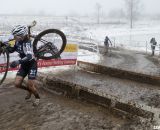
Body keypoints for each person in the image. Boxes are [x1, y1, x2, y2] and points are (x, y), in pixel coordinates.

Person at [8, 25, 40, 106]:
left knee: (31, 85)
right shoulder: (17, 41)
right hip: (24, 65)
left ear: (21, 35)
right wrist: (4, 47)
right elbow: (12, 50)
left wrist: (18, 62)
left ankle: (37, 98)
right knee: (17, 84)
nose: (14, 37)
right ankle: (29, 90)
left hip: (31, 64)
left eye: (16, 36)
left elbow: (29, 56)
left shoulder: (27, 43)